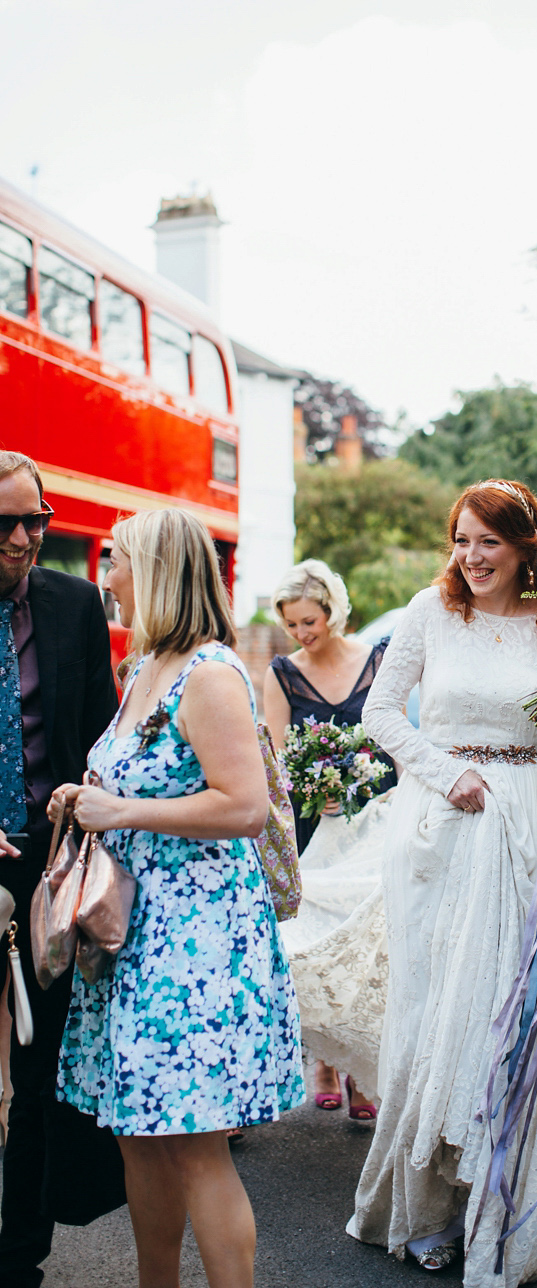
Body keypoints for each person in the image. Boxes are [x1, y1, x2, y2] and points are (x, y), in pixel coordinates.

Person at [318, 478, 537, 1285]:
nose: (471, 557)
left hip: (535, 823)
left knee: (518, 1006)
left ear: (525, 548)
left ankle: (511, 1197)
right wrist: (444, 773)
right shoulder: (429, 612)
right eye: (462, 540)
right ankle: (432, 1200)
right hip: (445, 829)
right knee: (443, 1008)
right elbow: (380, 713)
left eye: (490, 543)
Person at [52, 507, 304, 1288]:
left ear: (157, 571)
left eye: (118, 561)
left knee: (196, 1143)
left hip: (194, 944)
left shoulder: (213, 674)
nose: (108, 576)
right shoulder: (147, 666)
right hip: (135, 937)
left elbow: (243, 806)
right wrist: (90, 794)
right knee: (141, 1136)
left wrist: (121, 810)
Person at [0, 450, 119, 1288]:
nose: (23, 538)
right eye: (4, 524)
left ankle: (19, 1258)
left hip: (48, 871)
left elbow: (101, 735)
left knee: (40, 1071)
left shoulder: (75, 605)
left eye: (35, 520)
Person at [264, 559, 394, 1120]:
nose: (303, 634)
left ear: (333, 610)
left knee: (364, 943)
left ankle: (362, 1071)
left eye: (310, 621)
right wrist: (310, 786)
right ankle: (321, 1058)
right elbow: (274, 754)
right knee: (315, 943)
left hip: (374, 816)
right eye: (293, 625)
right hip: (313, 822)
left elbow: (394, 732)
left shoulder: (377, 661)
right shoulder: (282, 673)